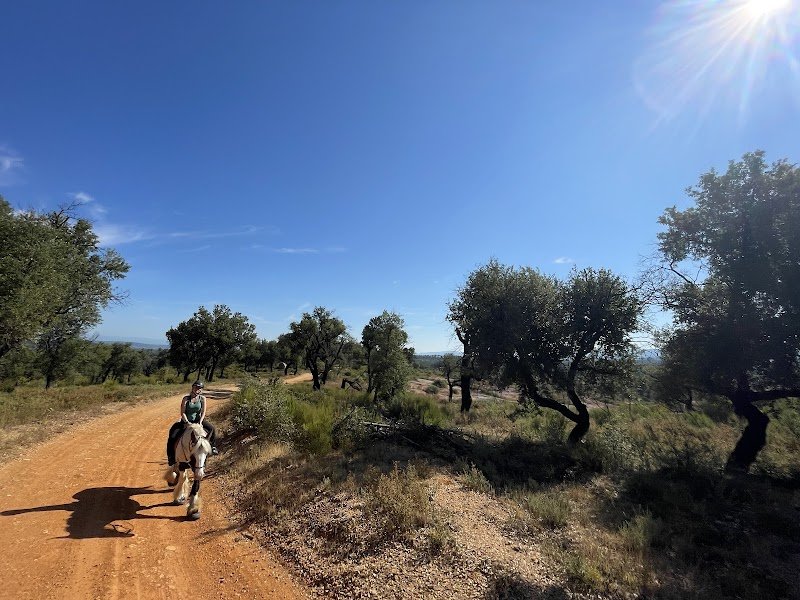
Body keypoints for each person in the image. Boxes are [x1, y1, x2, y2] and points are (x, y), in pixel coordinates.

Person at [166, 380, 218, 466]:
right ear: (193, 388)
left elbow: (203, 412)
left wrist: (201, 422)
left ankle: (213, 447)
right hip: (186, 421)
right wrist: (187, 422)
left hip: (198, 421)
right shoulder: (186, 399)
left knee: (212, 429)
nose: (198, 389)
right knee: (173, 434)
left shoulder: (202, 399)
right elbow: (182, 412)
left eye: (200, 388)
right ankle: (171, 457)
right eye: (196, 387)